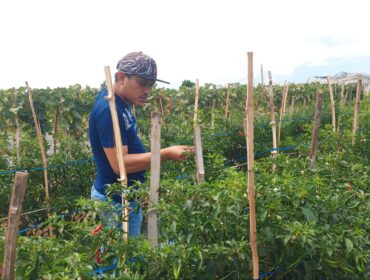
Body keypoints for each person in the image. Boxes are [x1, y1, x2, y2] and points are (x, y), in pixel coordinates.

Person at [89, 51, 194, 237]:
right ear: (122, 77)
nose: (147, 91)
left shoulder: (121, 102)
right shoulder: (109, 109)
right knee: (121, 262)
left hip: (125, 198)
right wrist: (166, 154)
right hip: (115, 200)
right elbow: (119, 164)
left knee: (122, 256)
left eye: (150, 86)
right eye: (142, 84)